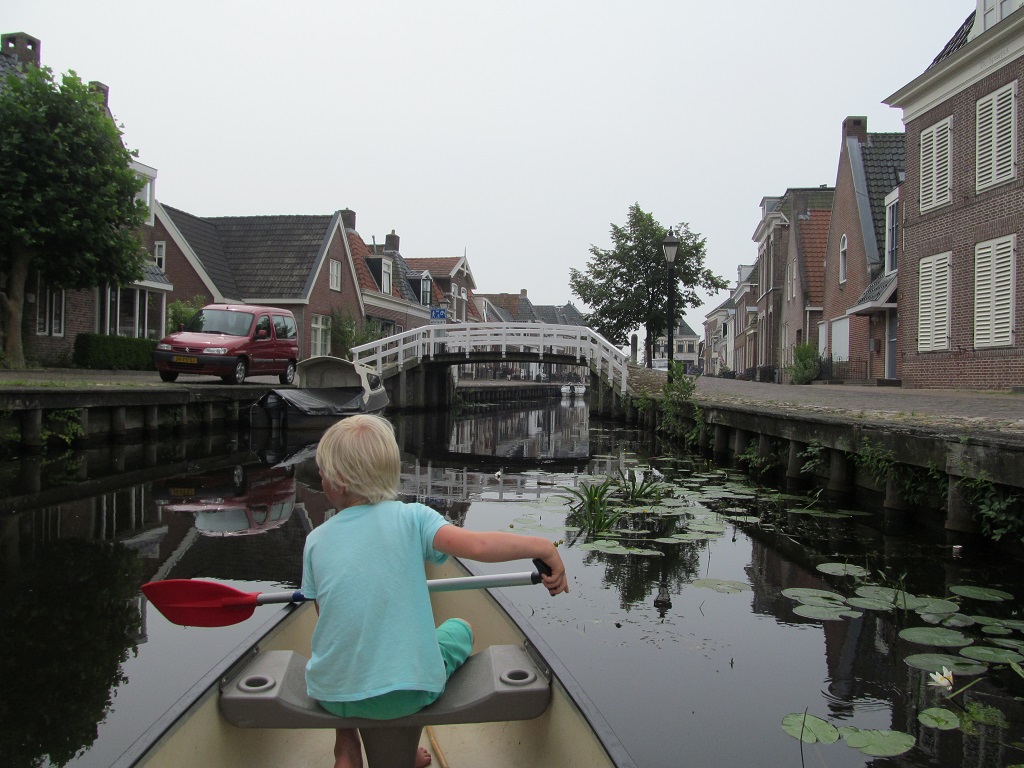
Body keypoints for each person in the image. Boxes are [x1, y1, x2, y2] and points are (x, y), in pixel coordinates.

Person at [302, 414, 568, 768]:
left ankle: (346, 745)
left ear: (336, 481)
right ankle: (406, 751)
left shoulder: (315, 540)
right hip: (411, 693)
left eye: (321, 471)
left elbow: (327, 617)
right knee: (460, 630)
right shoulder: (413, 518)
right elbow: (481, 547)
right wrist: (542, 547)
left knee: (344, 657)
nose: (319, 477)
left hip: (335, 694)